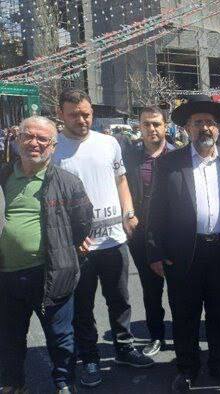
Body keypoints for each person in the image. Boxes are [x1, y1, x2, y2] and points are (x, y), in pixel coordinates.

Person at [147, 95, 220, 392]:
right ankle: (187, 369)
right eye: (198, 123)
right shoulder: (169, 164)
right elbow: (155, 210)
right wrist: (155, 251)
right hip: (184, 254)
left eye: (210, 122)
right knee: (185, 315)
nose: (205, 128)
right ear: (187, 129)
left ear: (218, 128)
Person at [54, 89, 153, 387]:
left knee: (120, 300)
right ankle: (91, 358)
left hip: (114, 240)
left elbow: (121, 180)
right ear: (61, 114)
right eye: (74, 114)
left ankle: (124, 347)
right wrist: (70, 236)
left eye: (86, 114)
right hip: (78, 247)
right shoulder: (53, 148)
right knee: (82, 307)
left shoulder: (109, 143)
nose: (81, 119)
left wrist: (129, 212)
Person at [0, 116, 93, 394]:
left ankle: (64, 381)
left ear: (53, 146)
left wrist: (69, 249)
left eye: (43, 139)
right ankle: (13, 383)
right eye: (29, 136)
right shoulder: (3, 177)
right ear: (17, 140)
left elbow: (82, 223)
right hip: (6, 277)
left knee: (60, 337)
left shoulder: (68, 182)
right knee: (8, 336)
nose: (34, 143)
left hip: (51, 273)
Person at [123, 106, 176, 357]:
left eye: (156, 124)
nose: (152, 129)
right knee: (151, 289)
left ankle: (184, 333)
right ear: (139, 127)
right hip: (141, 234)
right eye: (146, 124)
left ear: (165, 126)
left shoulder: (178, 155)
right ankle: (156, 336)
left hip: (174, 233)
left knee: (180, 287)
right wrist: (128, 215)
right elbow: (120, 189)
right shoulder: (130, 157)